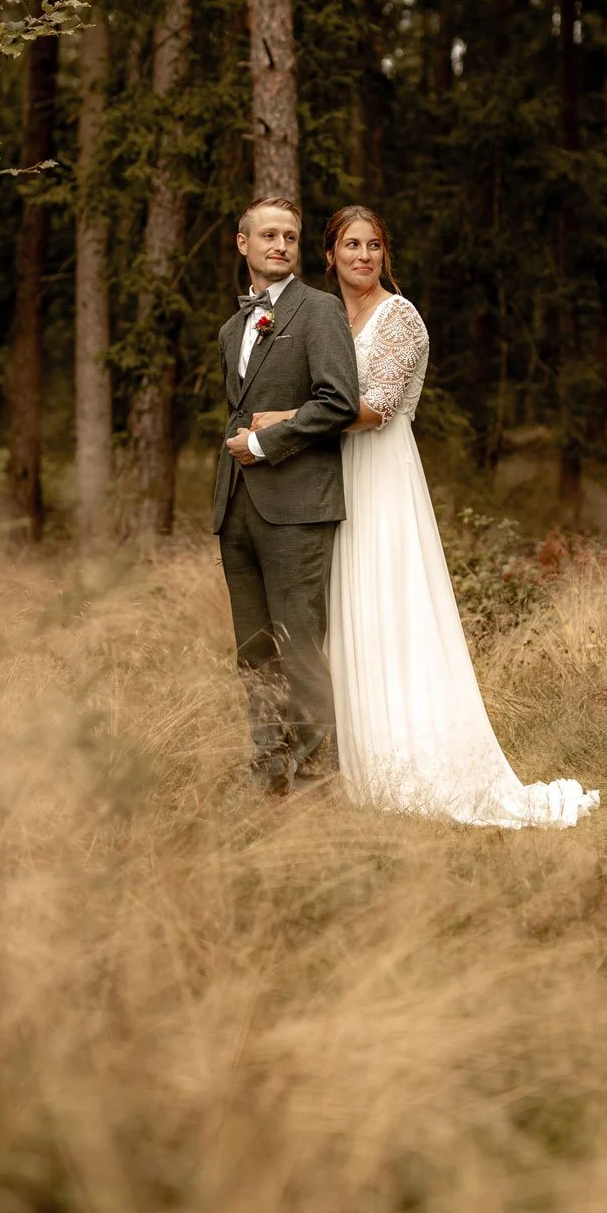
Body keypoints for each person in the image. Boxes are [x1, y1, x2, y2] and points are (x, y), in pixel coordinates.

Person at [305, 205, 599, 828]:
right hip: (334, 479)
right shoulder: (327, 316)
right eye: (351, 245)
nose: (363, 256)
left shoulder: (400, 317)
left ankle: (416, 766)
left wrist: (286, 424)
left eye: (374, 245)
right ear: (328, 255)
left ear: (385, 254)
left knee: (392, 611)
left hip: (380, 476)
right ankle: (362, 768)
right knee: (350, 613)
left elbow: (376, 406)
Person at [214, 196, 360, 794]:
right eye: (268, 235)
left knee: (299, 646)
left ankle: (313, 777)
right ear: (243, 244)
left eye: (291, 237)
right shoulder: (231, 328)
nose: (280, 245)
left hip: (298, 506)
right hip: (237, 507)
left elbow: (338, 402)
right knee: (253, 650)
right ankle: (268, 768)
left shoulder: (319, 310)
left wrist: (269, 443)